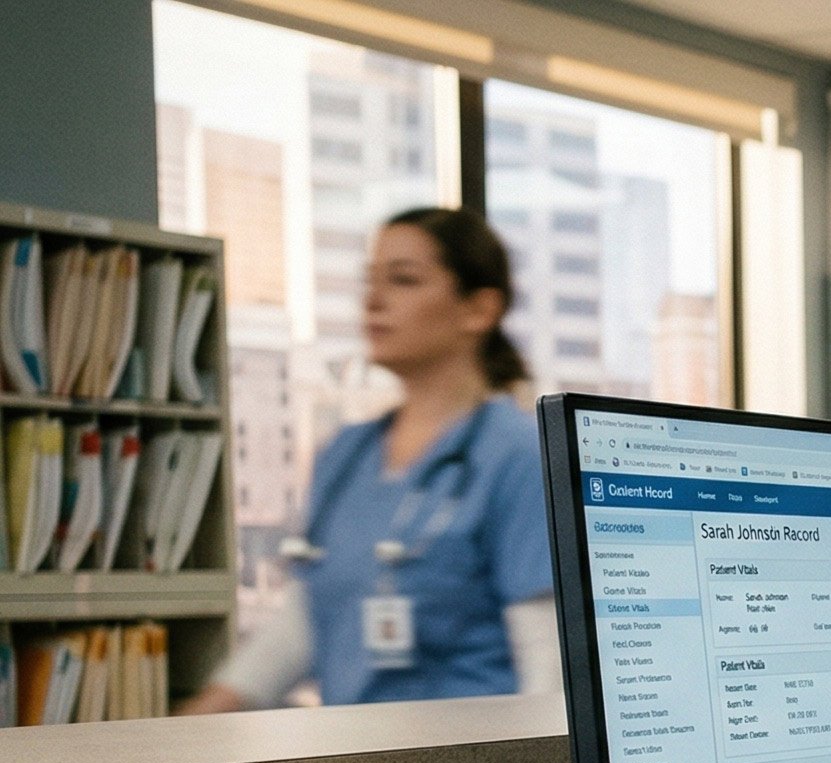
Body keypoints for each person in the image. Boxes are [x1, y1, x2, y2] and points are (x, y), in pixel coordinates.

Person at [182, 208, 556, 712]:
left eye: (403, 279)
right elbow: (309, 616)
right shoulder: (346, 453)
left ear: (479, 309)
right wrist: (196, 726)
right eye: (370, 280)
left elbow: (548, 665)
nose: (374, 300)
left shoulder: (518, 456)